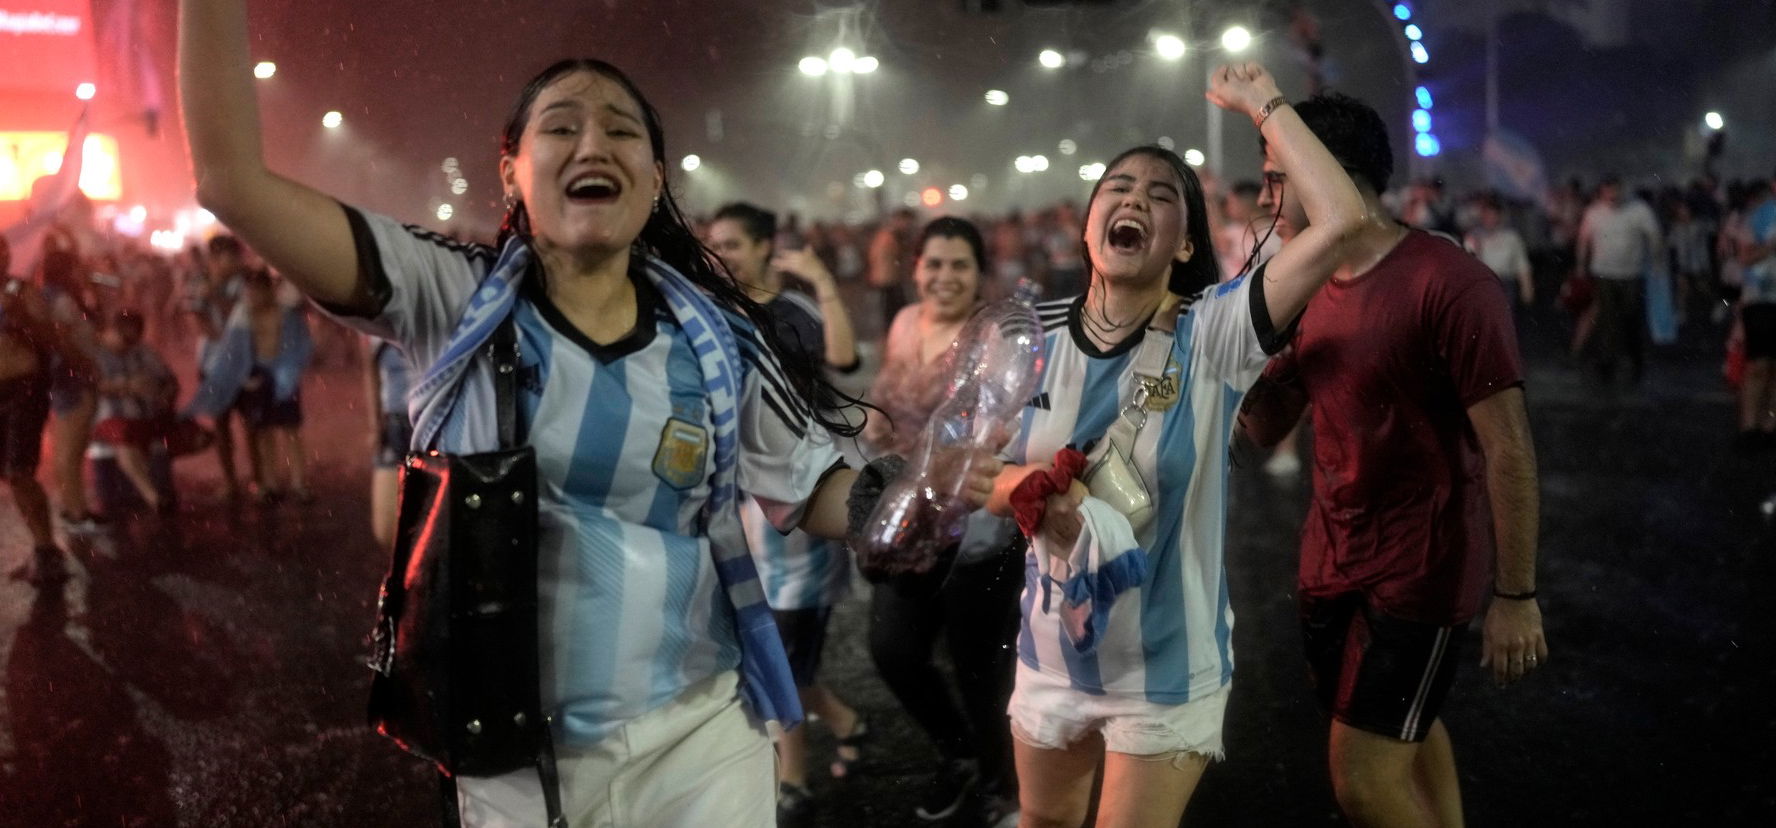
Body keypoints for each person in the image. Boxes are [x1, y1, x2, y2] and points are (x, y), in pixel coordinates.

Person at [178, 2, 1000, 824]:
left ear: (654, 178)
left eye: (620, 131)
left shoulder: (717, 339)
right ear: (510, 172)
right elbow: (231, 182)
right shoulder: (452, 298)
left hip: (698, 733)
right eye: (561, 128)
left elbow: (809, 480)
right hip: (511, 753)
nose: (593, 144)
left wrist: (898, 499)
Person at [984, 63, 1365, 828]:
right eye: (1118, 189)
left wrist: (1264, 104)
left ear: (1185, 239)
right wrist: (1023, 487)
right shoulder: (1022, 339)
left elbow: (1341, 221)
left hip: (1166, 670)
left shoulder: (1216, 332)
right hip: (1050, 656)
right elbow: (970, 469)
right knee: (1043, 822)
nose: (1134, 200)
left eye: (1162, 196)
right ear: (1088, 222)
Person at [1238, 91, 1548, 828]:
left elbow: (1508, 446)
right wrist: (1229, 351)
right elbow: (1263, 427)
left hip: (1423, 565)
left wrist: (1516, 595)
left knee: (1362, 781)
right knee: (1402, 723)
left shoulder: (1449, 282)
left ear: (1327, 176)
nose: (1263, 199)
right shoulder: (1299, 284)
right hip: (1331, 555)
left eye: (1277, 178)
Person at [707, 201, 867, 826]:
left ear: (765, 248)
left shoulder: (791, 315)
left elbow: (846, 364)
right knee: (773, 648)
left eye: (734, 245)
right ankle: (849, 721)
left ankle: (792, 777)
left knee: (783, 651)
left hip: (801, 503)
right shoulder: (715, 316)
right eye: (713, 244)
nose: (722, 256)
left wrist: (824, 282)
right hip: (746, 509)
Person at [863, 216, 1025, 826]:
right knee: (892, 650)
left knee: (980, 667)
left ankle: (1001, 786)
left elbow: (996, 430)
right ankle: (957, 750)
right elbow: (888, 401)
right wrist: (876, 429)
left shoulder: (994, 340)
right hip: (907, 520)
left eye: (959, 265)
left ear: (979, 275)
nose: (944, 276)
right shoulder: (905, 323)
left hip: (974, 527)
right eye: (933, 263)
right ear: (916, 269)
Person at [2, 236, 79, 585]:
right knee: (10, 474)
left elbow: (52, 339)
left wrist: (21, 321)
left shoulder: (22, 292)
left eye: (3, 249)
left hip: (23, 391)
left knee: (19, 470)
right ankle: (42, 548)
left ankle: (47, 550)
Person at [38, 249, 105, 535]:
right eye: (77, 267)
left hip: (65, 379)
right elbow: (62, 340)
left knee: (68, 449)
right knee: (71, 450)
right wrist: (86, 365)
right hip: (73, 380)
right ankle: (76, 513)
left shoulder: (48, 296)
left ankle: (72, 508)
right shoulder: (61, 300)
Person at [1576, 175, 1663, 388]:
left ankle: (1635, 360)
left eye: (1615, 191)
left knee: (1631, 317)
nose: (1612, 196)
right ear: (1602, 192)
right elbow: (1583, 240)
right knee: (1607, 320)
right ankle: (1607, 363)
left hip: (1632, 273)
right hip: (1604, 274)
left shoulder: (1638, 210)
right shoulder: (1594, 213)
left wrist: (1657, 260)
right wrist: (1580, 265)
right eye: (1608, 192)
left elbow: (1654, 235)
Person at [186, 234, 255, 498]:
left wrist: (214, 298)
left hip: (243, 361)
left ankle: (259, 478)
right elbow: (197, 321)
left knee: (251, 422)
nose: (237, 262)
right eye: (230, 257)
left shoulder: (244, 282)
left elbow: (243, 315)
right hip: (212, 363)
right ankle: (230, 480)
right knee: (221, 422)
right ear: (214, 259)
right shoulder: (196, 282)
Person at [92, 308, 177, 513]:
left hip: (145, 418)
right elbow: (90, 384)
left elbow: (170, 381)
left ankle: (155, 490)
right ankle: (154, 498)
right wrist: (126, 386)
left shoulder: (142, 352)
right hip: (110, 421)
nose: (127, 345)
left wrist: (164, 396)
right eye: (124, 338)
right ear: (112, 330)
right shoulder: (94, 353)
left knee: (191, 436)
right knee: (125, 444)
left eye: (132, 339)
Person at [1733, 180, 1776, 448]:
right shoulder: (1759, 215)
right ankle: (1749, 426)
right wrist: (1771, 246)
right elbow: (1745, 258)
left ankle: (1769, 425)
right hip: (1761, 297)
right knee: (1759, 364)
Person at [364, 334, 411, 550]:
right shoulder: (376, 316)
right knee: (385, 529)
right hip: (394, 424)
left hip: (436, 425)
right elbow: (370, 369)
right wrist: (375, 424)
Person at [1464, 195, 1534, 309]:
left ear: (1499, 216)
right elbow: (1468, 263)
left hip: (1505, 283)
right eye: (1486, 215)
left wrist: (1527, 288)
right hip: (1483, 284)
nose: (1489, 218)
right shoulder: (1473, 236)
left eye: (1492, 215)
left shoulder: (1511, 237)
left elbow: (1521, 264)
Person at [869, 208, 919, 334]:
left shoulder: (887, 236)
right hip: (889, 279)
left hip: (889, 278)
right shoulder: (890, 237)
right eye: (906, 222)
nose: (908, 226)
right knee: (893, 309)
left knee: (892, 309)